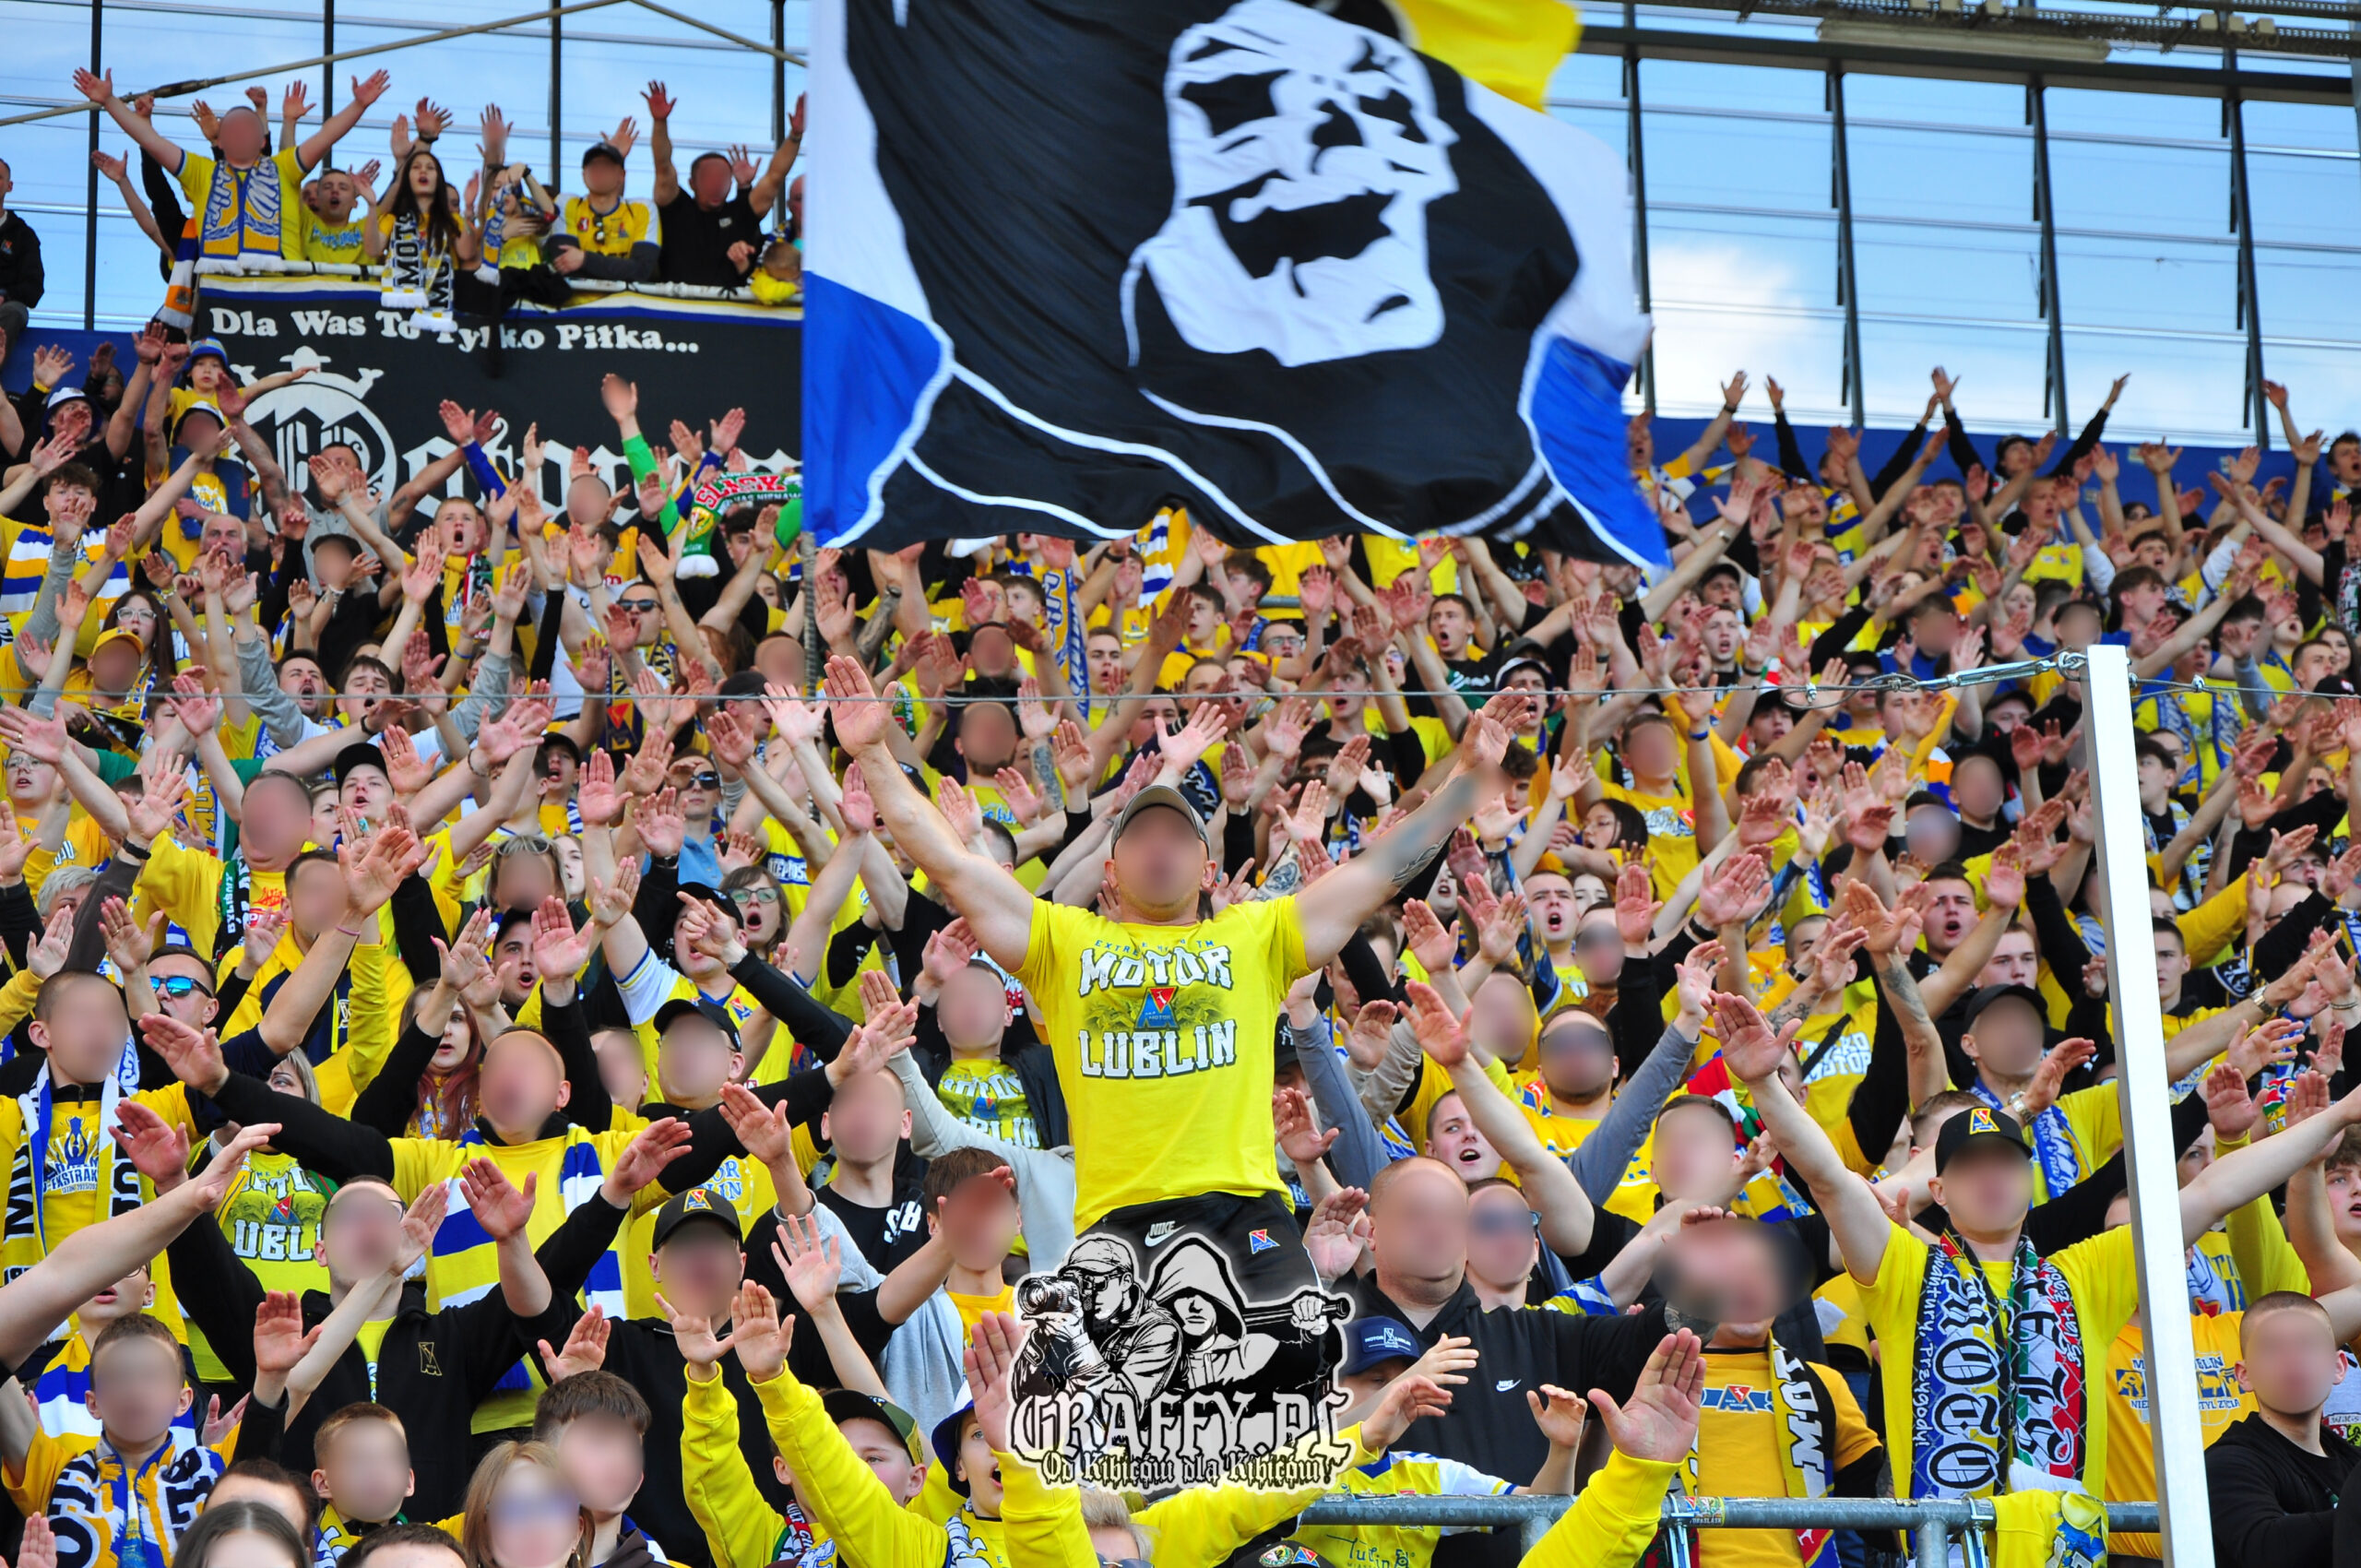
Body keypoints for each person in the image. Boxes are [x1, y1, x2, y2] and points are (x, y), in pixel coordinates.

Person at [2207, 1292, 2361, 1568]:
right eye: (2272, 1349)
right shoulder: (2226, 1463)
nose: (2293, 1359)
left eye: (2308, 1345)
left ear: (2338, 1367)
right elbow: (2264, 1548)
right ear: (2244, 1375)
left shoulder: (2351, 1459)